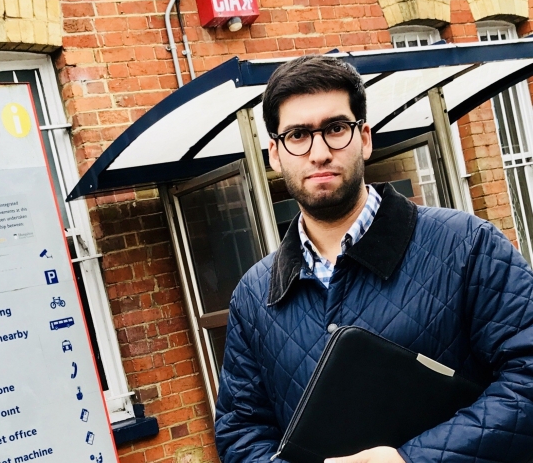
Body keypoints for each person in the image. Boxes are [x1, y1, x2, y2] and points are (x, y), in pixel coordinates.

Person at [214, 55, 533, 463]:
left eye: (335, 129)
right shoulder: (253, 297)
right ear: (275, 154)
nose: (319, 152)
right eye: (297, 135)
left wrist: (411, 459)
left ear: (364, 137)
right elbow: (241, 435)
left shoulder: (467, 245)